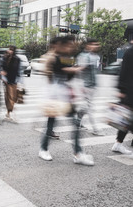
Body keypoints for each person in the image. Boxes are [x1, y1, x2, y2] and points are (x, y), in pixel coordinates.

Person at [39, 36, 94, 166]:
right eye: (69, 45)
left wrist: (75, 70)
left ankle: (78, 154)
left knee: (75, 123)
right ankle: (43, 149)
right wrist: (77, 68)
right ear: (61, 46)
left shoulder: (68, 58)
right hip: (54, 97)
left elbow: (69, 75)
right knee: (51, 125)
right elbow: (61, 69)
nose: (72, 47)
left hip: (65, 96)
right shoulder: (54, 58)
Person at [76, 38, 102, 135]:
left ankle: (78, 120)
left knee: (86, 107)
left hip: (92, 86)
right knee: (90, 108)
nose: (96, 46)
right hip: (85, 85)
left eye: (97, 44)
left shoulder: (96, 56)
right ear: (88, 46)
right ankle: (95, 129)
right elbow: (80, 70)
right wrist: (81, 85)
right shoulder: (83, 56)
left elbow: (96, 71)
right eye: (94, 44)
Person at [1, 45, 21, 122]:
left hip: (14, 80)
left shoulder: (17, 59)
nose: (10, 51)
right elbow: (2, 68)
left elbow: (19, 71)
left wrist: (20, 81)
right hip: (7, 81)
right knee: (9, 98)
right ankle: (9, 112)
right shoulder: (4, 58)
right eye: (9, 49)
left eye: (12, 50)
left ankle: (8, 112)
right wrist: (3, 78)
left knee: (14, 98)